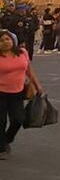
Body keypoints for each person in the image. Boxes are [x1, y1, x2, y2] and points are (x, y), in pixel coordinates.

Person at [0, 30, 44, 159]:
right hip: (1, 93)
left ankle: (8, 139)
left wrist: (37, 85)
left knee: (18, 119)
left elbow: (29, 70)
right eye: (1, 40)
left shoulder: (22, 52)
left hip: (17, 92)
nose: (5, 42)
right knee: (0, 121)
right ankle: (1, 148)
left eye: (7, 39)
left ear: (13, 40)